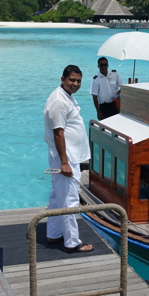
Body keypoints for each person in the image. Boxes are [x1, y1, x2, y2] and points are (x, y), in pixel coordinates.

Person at [43, 65, 93, 252]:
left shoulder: (66, 96)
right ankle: (72, 242)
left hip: (69, 156)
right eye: (72, 80)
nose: (75, 84)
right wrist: (64, 162)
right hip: (66, 158)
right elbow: (58, 133)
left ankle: (54, 233)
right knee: (70, 200)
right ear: (63, 79)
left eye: (78, 81)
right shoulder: (59, 101)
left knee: (58, 197)